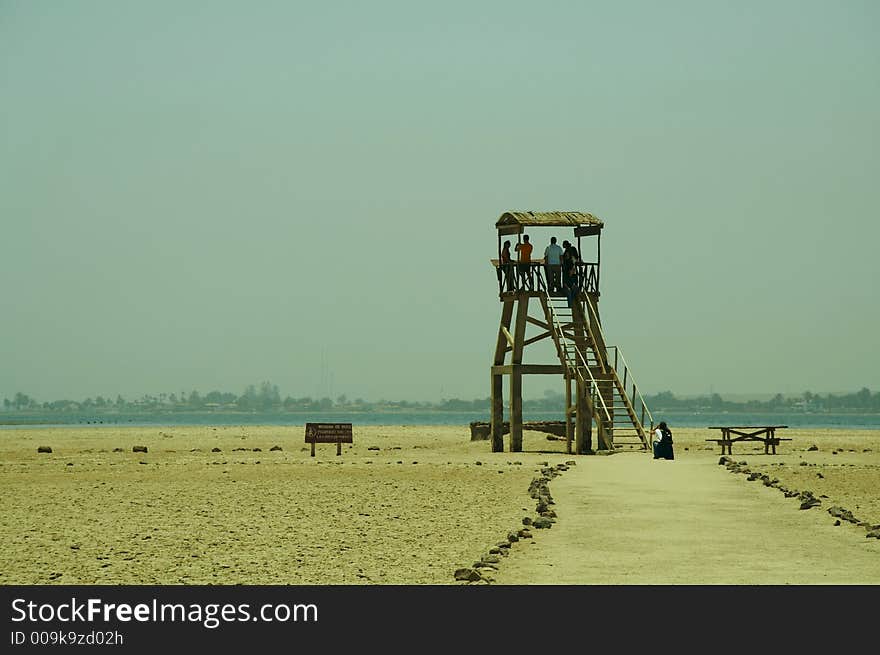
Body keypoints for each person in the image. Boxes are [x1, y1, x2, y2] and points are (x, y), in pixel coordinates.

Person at [561, 241, 578, 307]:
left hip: (570, 266)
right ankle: (572, 304)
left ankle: (572, 304)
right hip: (571, 267)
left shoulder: (569, 250)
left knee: (573, 290)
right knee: (569, 291)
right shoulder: (572, 249)